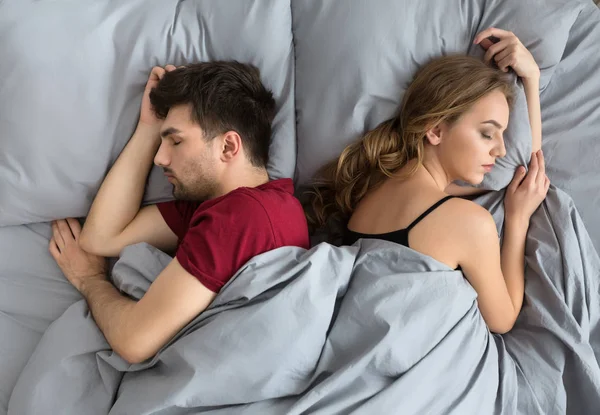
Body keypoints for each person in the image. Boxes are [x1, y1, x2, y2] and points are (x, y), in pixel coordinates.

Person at [48, 61, 310, 364]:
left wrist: (90, 280)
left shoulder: (243, 216)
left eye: (175, 141)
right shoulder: (229, 206)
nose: (160, 158)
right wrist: (148, 129)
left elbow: (135, 340)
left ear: (228, 147)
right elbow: (101, 238)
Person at [306, 28, 548, 334]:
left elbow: (524, 165)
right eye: (488, 133)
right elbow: (504, 320)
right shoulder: (469, 224)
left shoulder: (374, 188)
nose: (500, 149)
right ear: (435, 131)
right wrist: (517, 219)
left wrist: (532, 79)